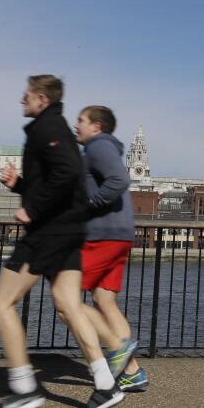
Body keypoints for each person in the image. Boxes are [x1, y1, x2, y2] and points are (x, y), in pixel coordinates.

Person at [0, 75, 124, 408]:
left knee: (1, 304)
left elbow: (67, 173)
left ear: (42, 99)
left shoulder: (48, 128)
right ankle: (106, 384)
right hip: (68, 229)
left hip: (48, 231)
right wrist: (21, 186)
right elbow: (59, 178)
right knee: (69, 305)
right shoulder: (53, 127)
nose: (21, 101)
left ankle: (24, 389)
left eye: (26, 95)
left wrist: (33, 207)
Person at [74, 105, 147, 392]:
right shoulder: (105, 148)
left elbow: (119, 180)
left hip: (103, 233)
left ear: (96, 126)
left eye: (80, 120)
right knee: (103, 300)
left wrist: (88, 204)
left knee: (64, 299)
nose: (75, 125)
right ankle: (133, 373)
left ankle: (118, 351)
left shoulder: (99, 146)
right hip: (119, 233)